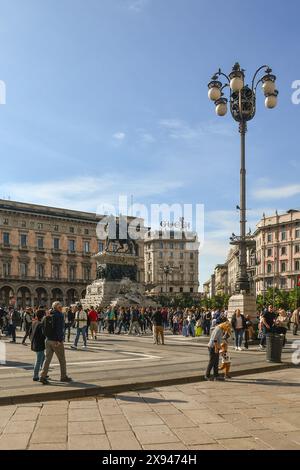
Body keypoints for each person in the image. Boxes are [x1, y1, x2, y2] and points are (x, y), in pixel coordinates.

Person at [40, 302, 72, 385]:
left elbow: (42, 326)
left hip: (48, 340)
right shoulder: (59, 315)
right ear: (57, 307)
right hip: (56, 341)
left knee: (47, 359)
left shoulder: (48, 314)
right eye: (60, 306)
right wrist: (60, 340)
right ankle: (63, 376)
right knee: (62, 359)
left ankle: (42, 376)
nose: (61, 308)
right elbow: (59, 329)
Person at [30, 309, 46, 381]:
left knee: (43, 358)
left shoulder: (34, 322)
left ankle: (44, 373)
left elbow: (30, 333)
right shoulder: (40, 324)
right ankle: (35, 375)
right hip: (39, 344)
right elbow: (43, 335)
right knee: (38, 360)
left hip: (35, 343)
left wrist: (32, 340)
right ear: (42, 316)